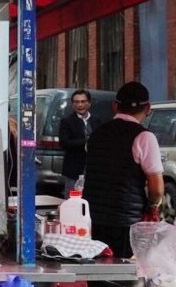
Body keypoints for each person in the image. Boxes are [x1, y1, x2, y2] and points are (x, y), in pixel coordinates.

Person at [82, 81, 164, 258]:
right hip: (126, 222)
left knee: (96, 272)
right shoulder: (144, 137)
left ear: (115, 106)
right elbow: (156, 188)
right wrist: (152, 207)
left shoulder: (96, 134)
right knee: (121, 274)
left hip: (93, 218)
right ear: (148, 107)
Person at [58, 89, 100, 195]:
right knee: (73, 199)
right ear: (72, 104)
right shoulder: (67, 121)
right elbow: (64, 142)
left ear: (89, 103)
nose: (80, 105)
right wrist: (86, 142)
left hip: (93, 169)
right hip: (74, 169)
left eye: (83, 101)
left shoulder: (96, 120)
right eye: (76, 102)